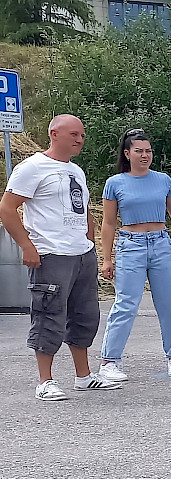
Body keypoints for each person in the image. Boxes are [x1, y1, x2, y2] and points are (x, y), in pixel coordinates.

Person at [0, 114, 122, 400]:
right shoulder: (32, 168)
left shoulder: (75, 171)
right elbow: (7, 208)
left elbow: (83, 208)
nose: (80, 140)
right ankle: (45, 381)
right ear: (54, 134)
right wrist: (27, 246)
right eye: (74, 134)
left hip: (81, 254)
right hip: (51, 254)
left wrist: (90, 242)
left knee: (84, 316)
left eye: (82, 135)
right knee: (49, 315)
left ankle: (84, 376)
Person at [97, 129, 171, 382]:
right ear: (127, 153)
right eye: (139, 151)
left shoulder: (163, 180)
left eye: (148, 151)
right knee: (126, 303)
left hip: (161, 243)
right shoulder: (115, 183)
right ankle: (110, 360)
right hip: (131, 244)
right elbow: (108, 222)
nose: (145, 155)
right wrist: (107, 258)